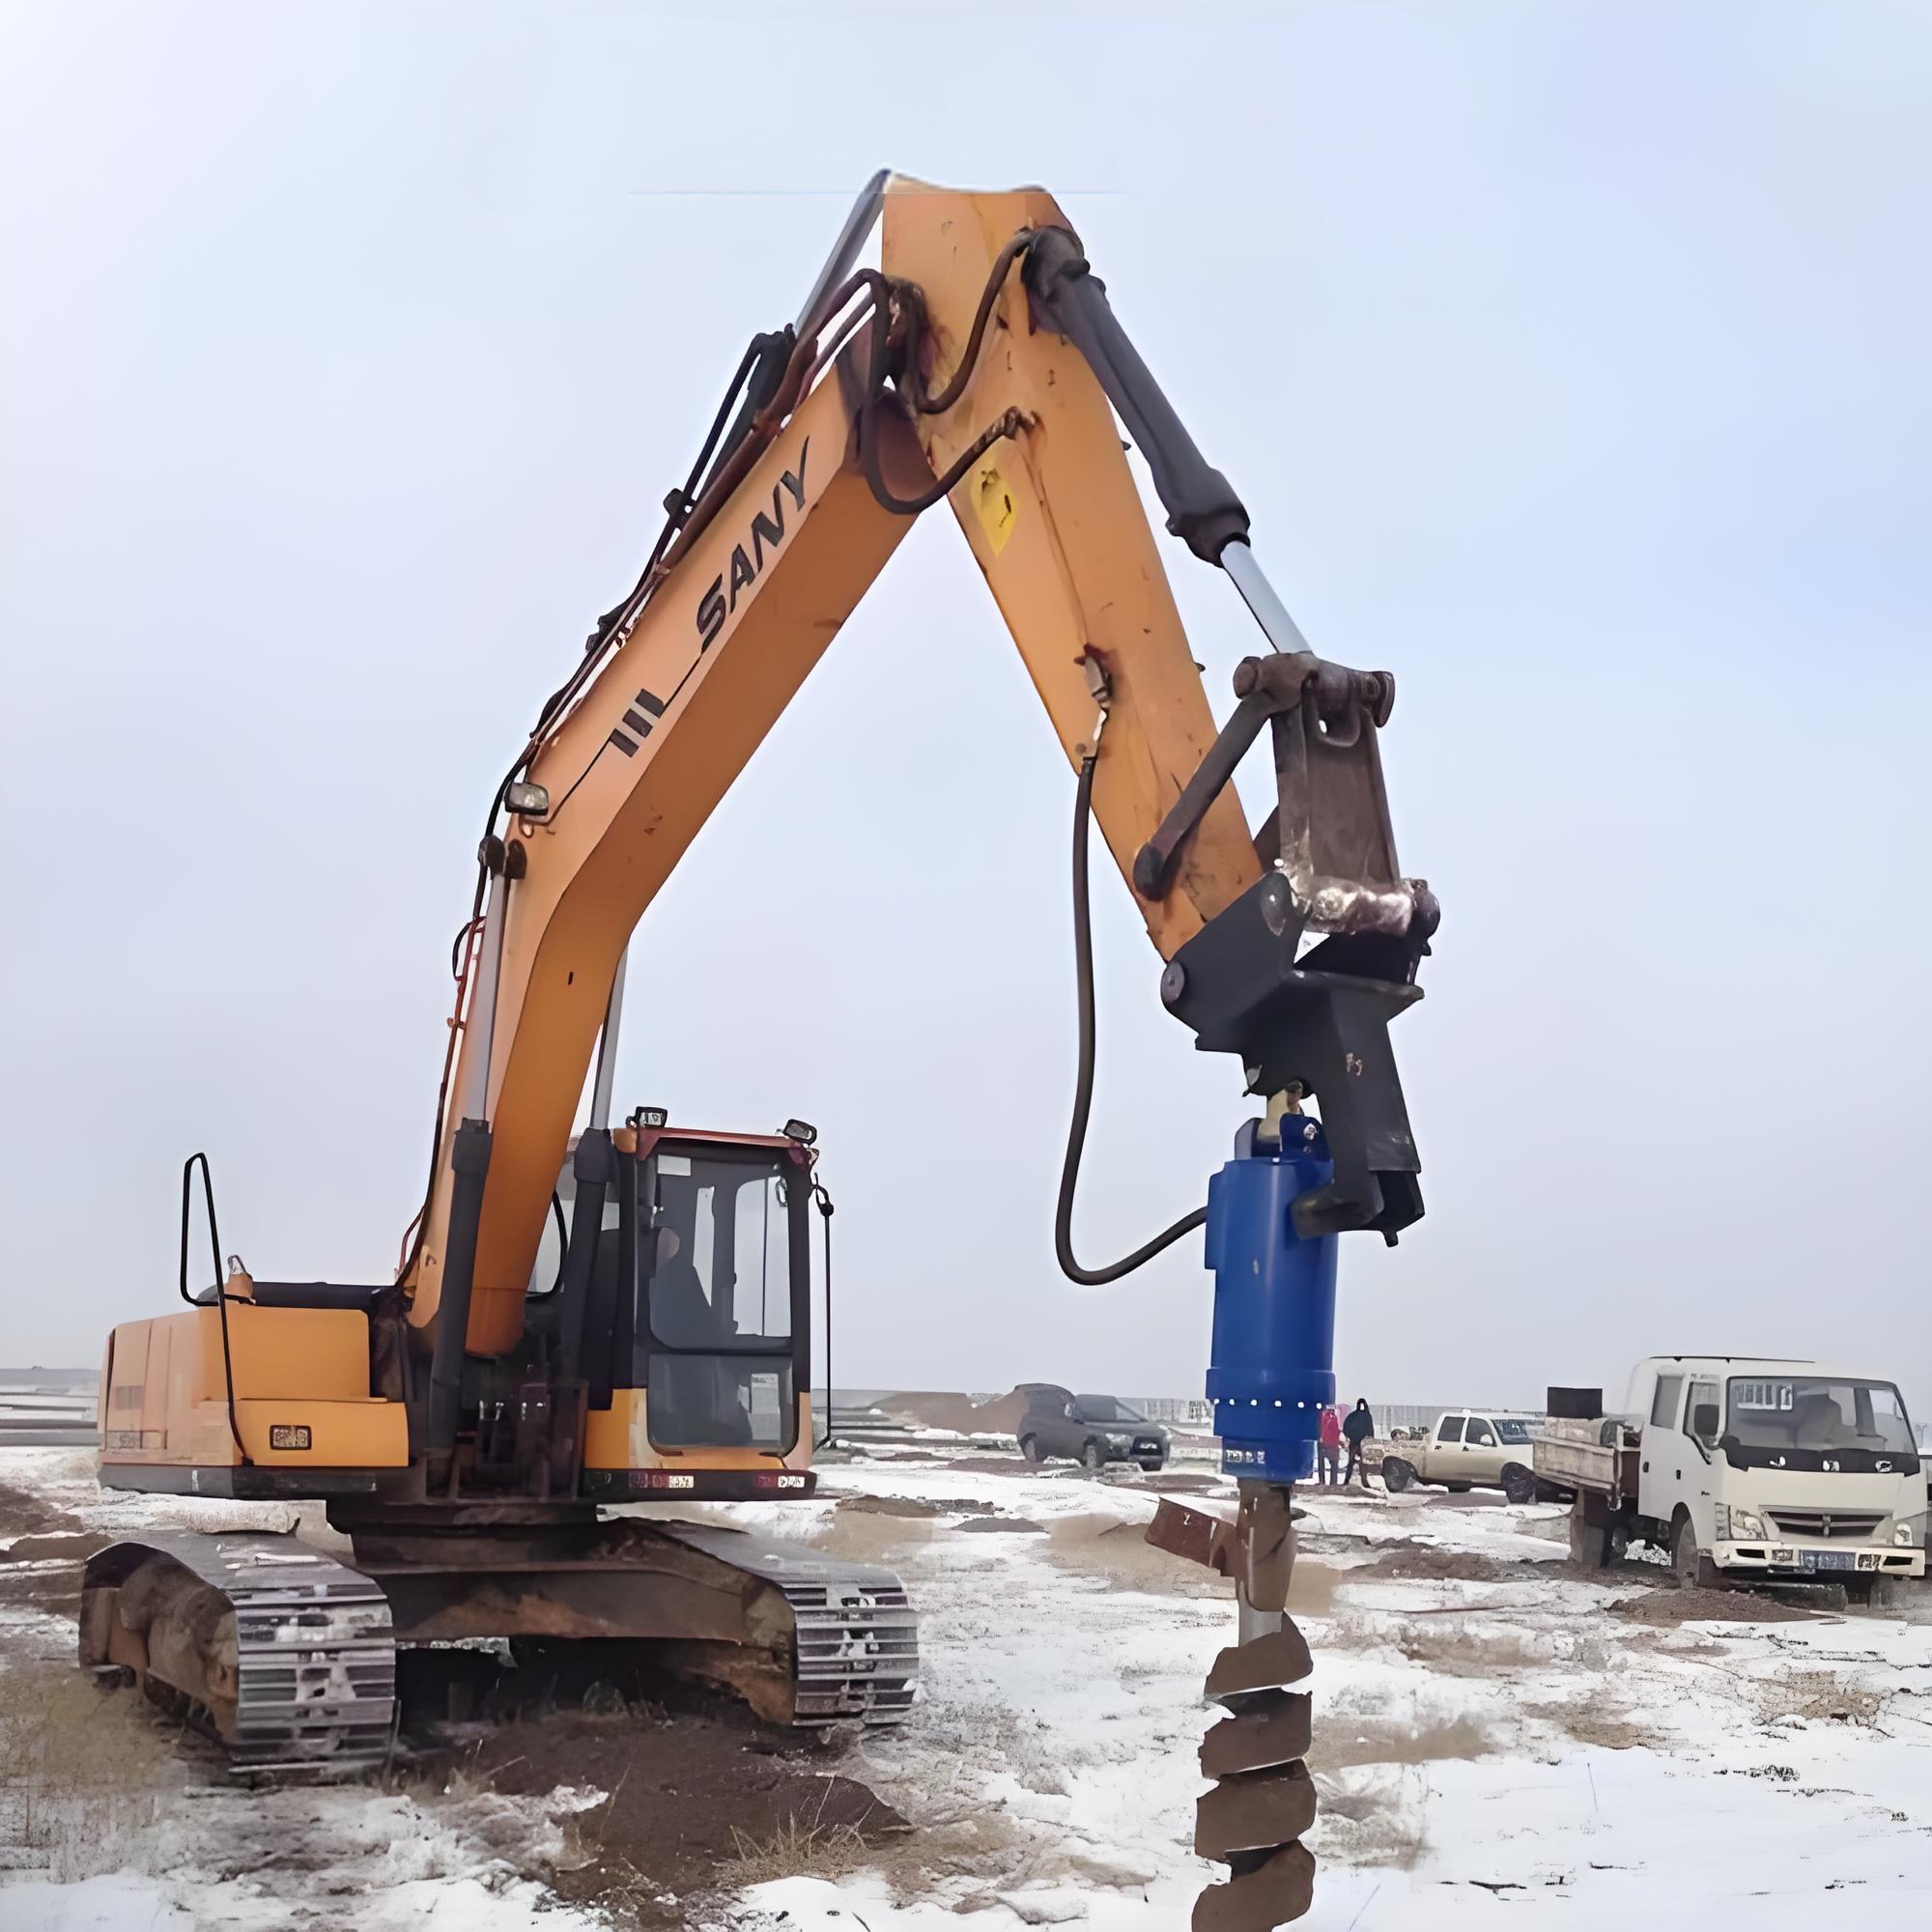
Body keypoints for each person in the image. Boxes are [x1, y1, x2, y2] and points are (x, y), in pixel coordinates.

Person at [1342, 1397, 1376, 1488]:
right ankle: (1347, 1480)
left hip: (1362, 1443)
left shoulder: (1365, 1416)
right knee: (1352, 1462)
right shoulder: (1355, 1416)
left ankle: (1363, 1481)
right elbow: (1346, 1427)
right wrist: (1349, 1436)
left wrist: (1370, 1439)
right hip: (1355, 1442)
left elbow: (1370, 1429)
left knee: (1362, 1463)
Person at [1317, 1404, 1343, 1486]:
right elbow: (1339, 1430)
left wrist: (1320, 1437)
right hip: (1333, 1443)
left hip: (1323, 1442)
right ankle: (1333, 1482)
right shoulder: (1337, 1417)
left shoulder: (1322, 1415)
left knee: (1321, 1463)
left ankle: (1322, 1481)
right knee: (1334, 1463)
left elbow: (1319, 1427)